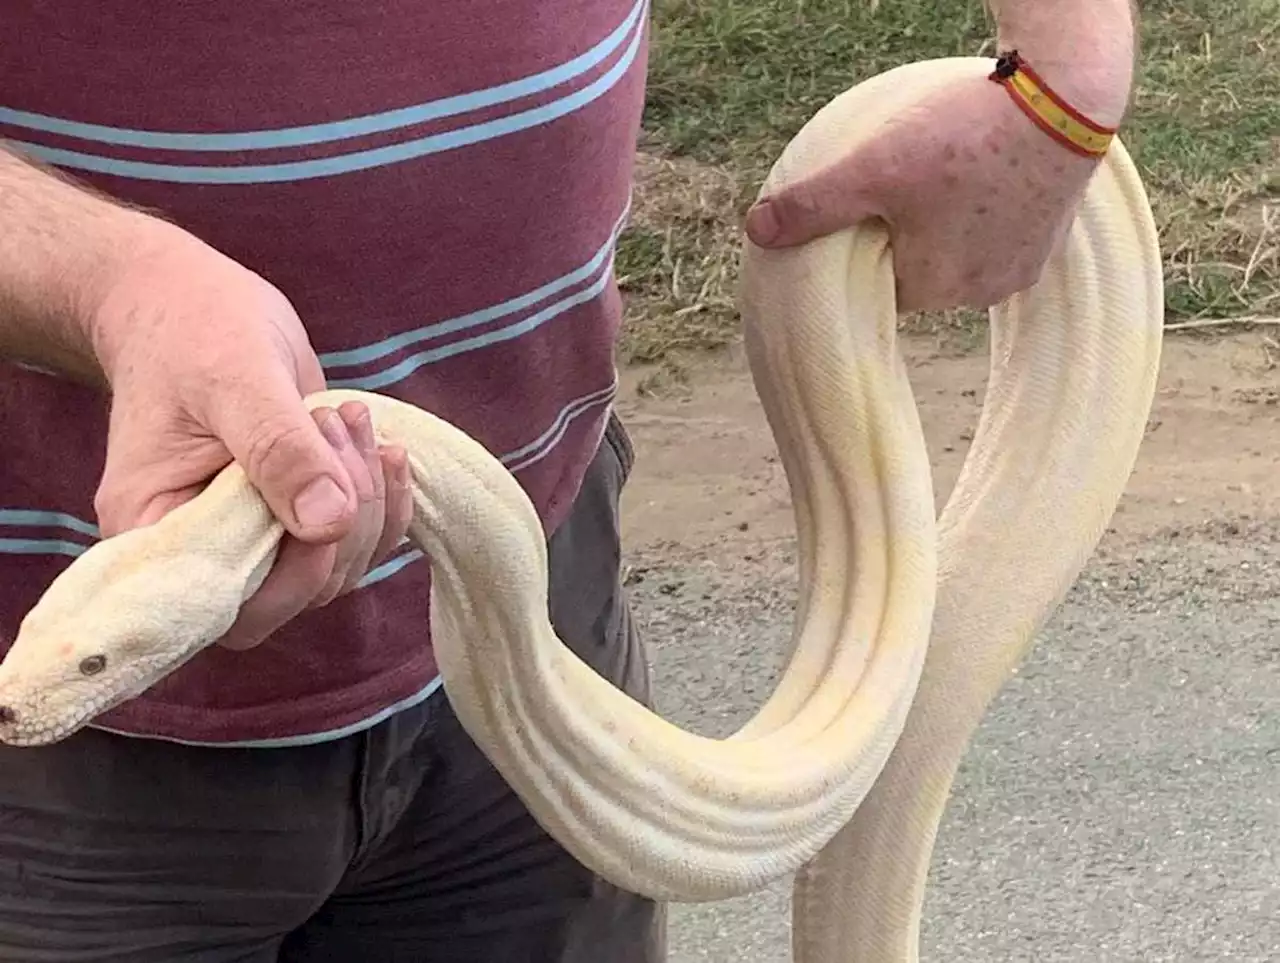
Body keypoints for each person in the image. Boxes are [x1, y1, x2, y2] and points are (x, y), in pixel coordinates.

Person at [0, 1, 1136, 959]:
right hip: (60, 741)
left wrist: (1066, 79)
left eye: (88, 654)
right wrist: (113, 283)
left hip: (546, 560)